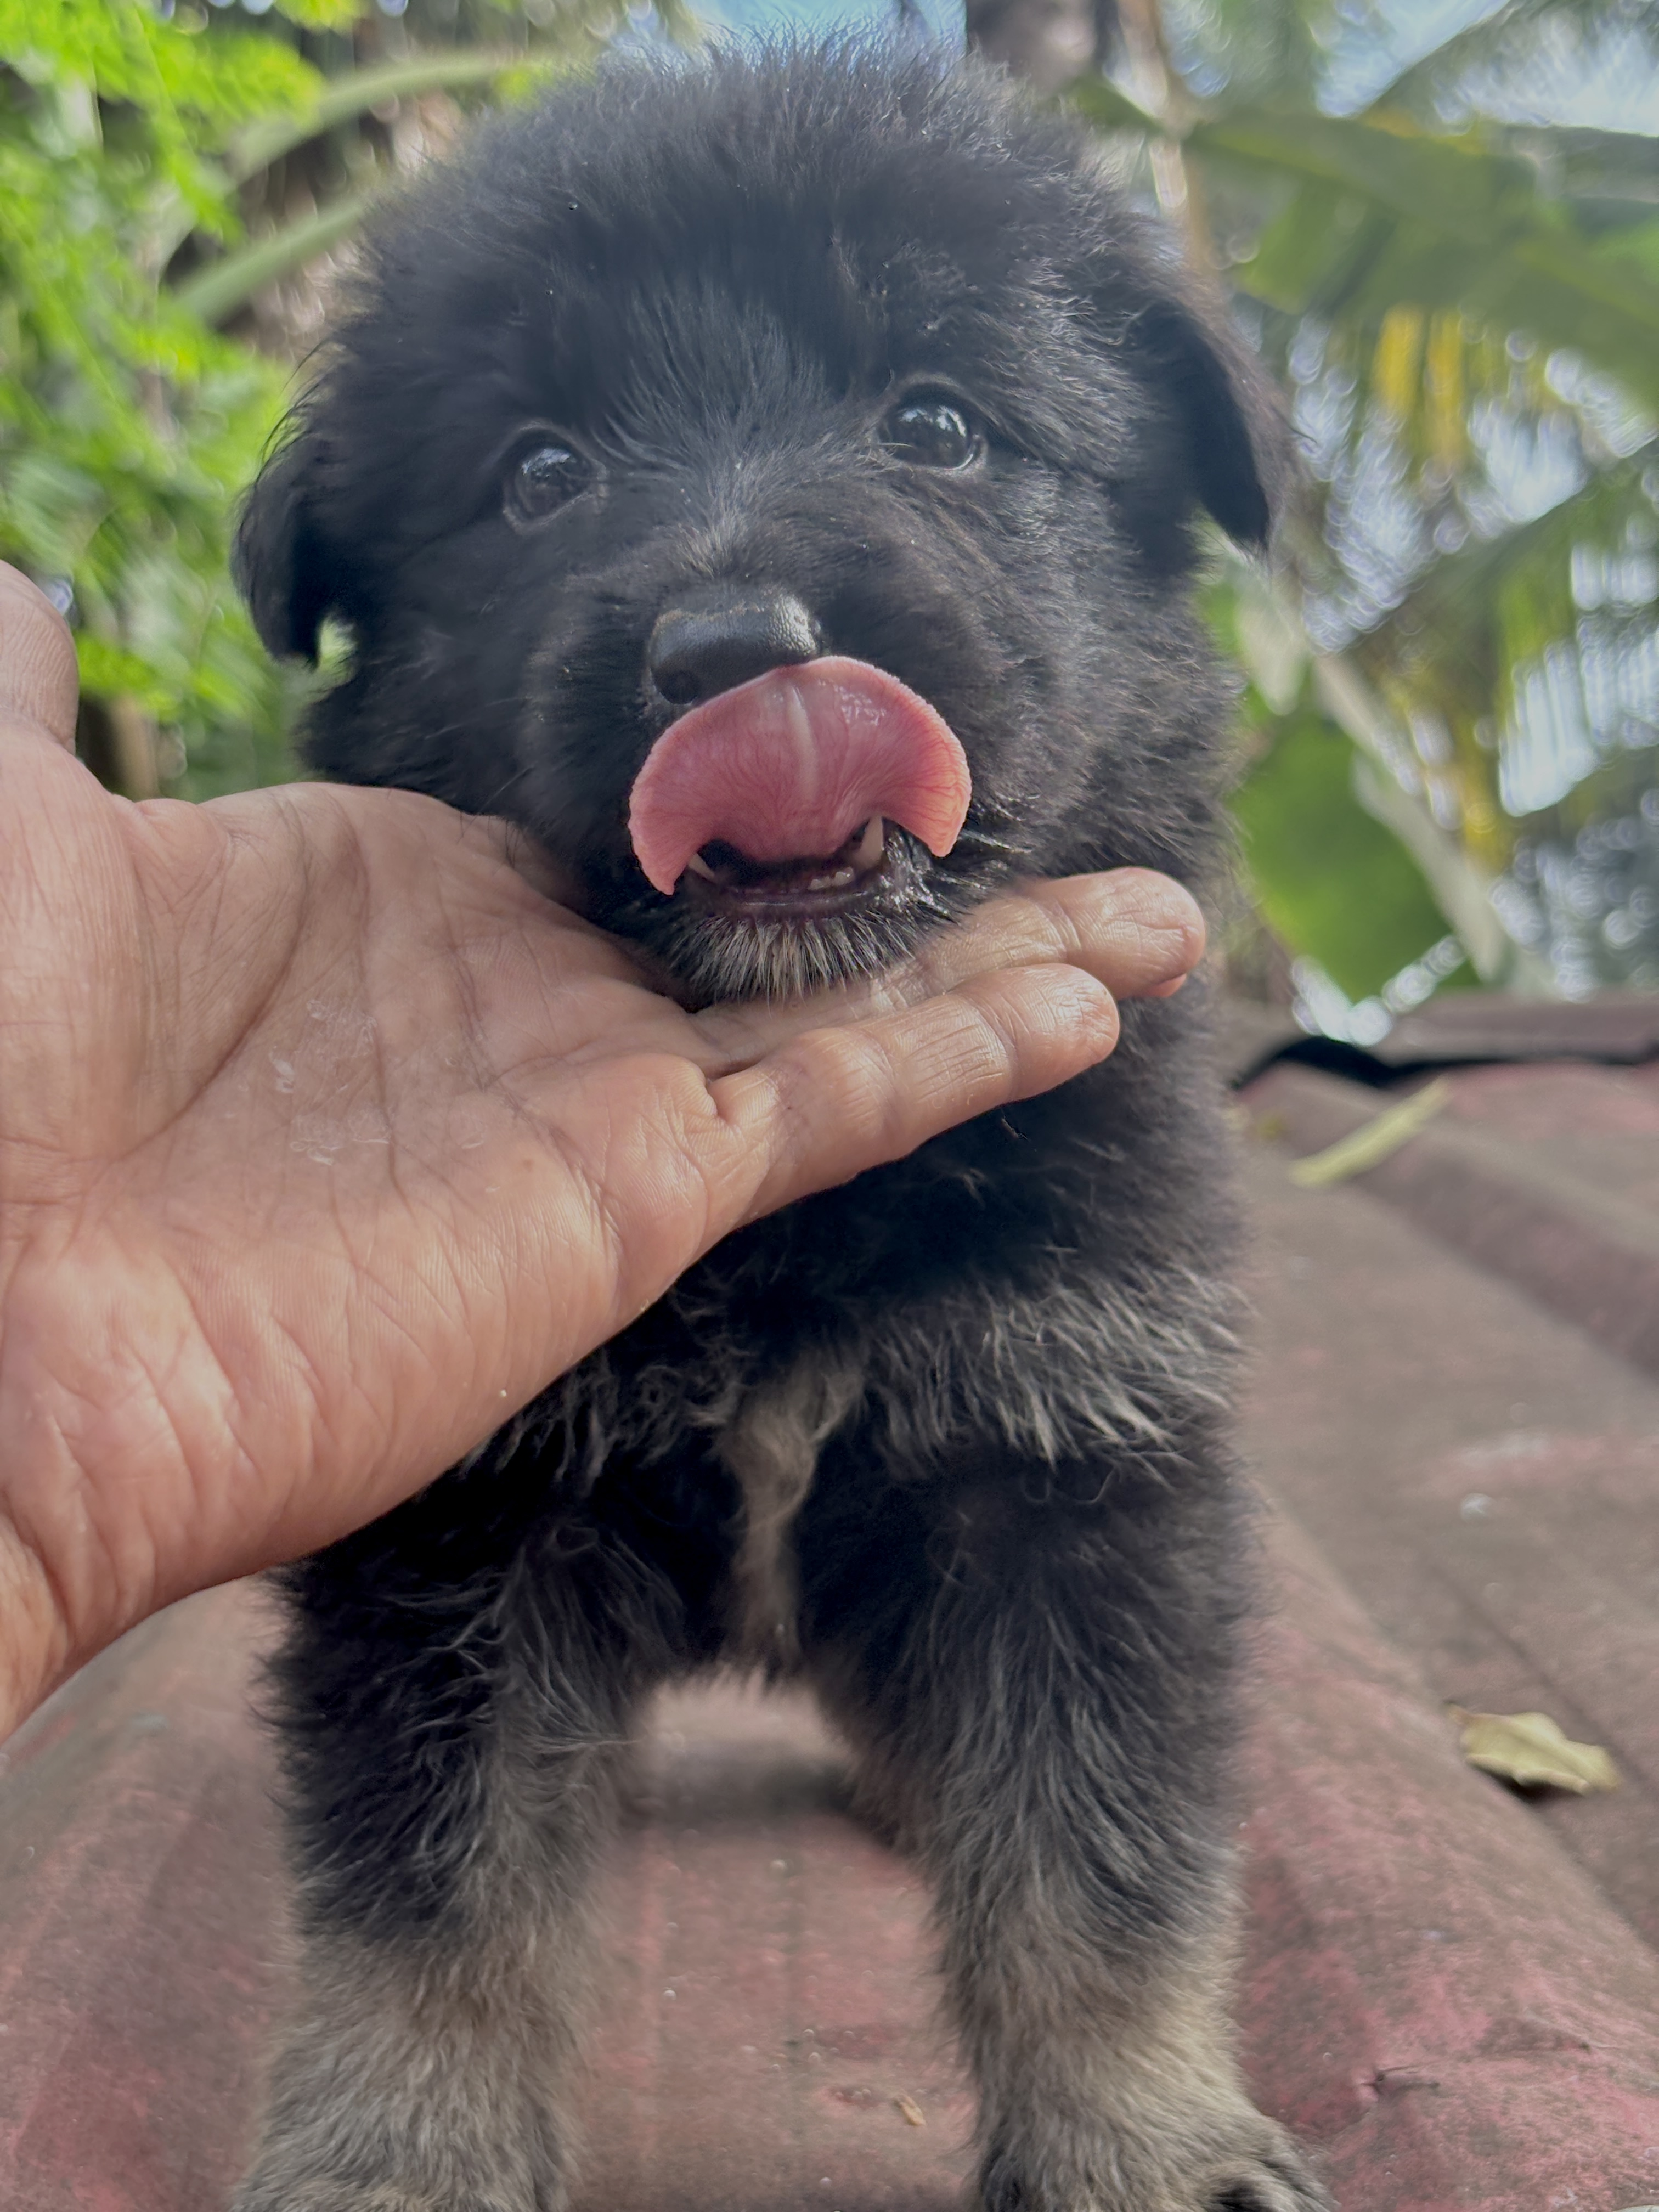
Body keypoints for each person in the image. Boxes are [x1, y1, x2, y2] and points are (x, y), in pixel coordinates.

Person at [0, 562, 1203, 1737]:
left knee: (1068, 1570)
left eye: (942, 447)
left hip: (1022, 1134)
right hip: (469, 1076)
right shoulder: (366, 1196)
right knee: (447, 1581)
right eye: (545, 476)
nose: (747, 626)